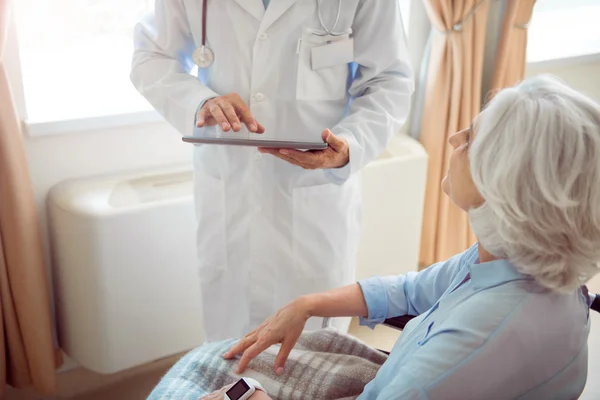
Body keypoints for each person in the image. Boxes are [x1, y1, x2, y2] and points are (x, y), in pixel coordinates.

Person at [184, 75, 598, 399]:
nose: (453, 138)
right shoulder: (507, 260)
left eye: (470, 140)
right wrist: (307, 304)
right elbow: (411, 289)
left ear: (509, 183)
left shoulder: (482, 337)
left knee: (205, 375)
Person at [130, 0, 414, 342]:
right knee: (230, 357)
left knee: (314, 363)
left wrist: (349, 145)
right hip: (231, 196)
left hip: (314, 200)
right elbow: (150, 56)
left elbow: (390, 80)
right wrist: (199, 101)